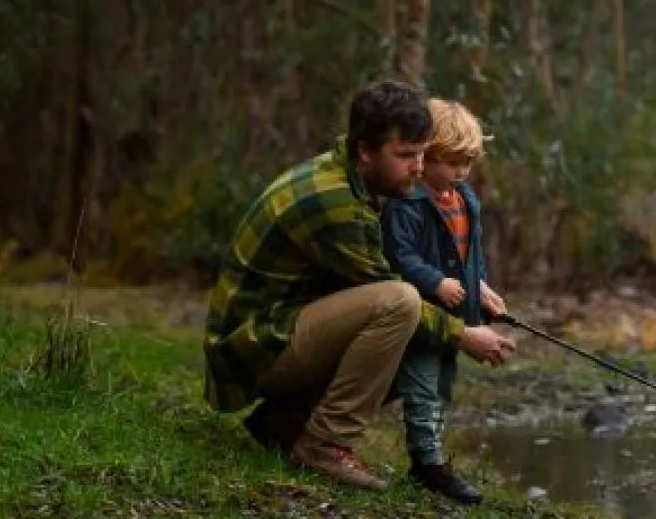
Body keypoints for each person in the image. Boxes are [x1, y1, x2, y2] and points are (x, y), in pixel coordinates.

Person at [202, 81, 515, 491]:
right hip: (251, 349)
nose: (418, 168)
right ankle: (325, 445)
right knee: (400, 305)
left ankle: (284, 423)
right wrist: (463, 335)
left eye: (422, 154)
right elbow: (391, 295)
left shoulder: (357, 178)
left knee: (406, 318)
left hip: (281, 330)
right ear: (365, 150)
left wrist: (473, 287)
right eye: (405, 156)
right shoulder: (337, 204)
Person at [382, 99, 506, 505]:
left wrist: (481, 286)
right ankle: (428, 464)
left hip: (456, 318)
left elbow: (473, 252)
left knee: (442, 387)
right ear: (426, 156)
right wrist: (434, 281)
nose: (461, 172)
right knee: (421, 388)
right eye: (452, 162)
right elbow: (400, 255)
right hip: (422, 316)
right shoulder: (409, 204)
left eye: (467, 162)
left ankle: (430, 456)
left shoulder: (466, 199)